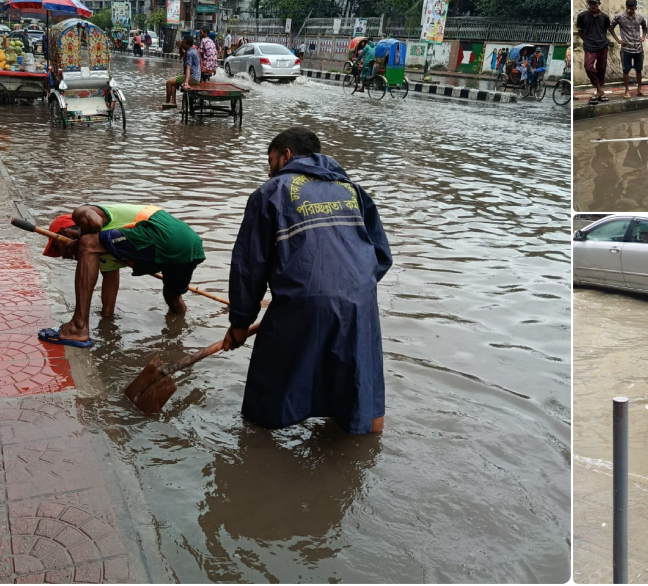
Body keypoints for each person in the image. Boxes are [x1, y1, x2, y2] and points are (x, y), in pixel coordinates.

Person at [222, 127, 393, 435]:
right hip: (360, 304)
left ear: (286, 155)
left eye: (270, 160)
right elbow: (381, 255)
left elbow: (249, 267)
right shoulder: (352, 189)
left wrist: (239, 323)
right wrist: (350, 289)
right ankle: (361, 447)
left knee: (268, 388)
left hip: (302, 303)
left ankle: (255, 454)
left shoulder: (270, 192)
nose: (269, 169)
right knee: (357, 387)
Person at [37, 204, 206, 348]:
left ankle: (77, 327)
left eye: (59, 248)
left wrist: (81, 242)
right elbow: (108, 303)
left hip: (160, 231)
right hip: (190, 245)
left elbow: (94, 223)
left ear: (65, 232)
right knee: (174, 301)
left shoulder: (81, 212)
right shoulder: (104, 247)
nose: (64, 256)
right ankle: (177, 338)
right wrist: (106, 322)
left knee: (88, 244)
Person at [576, 0, 612, 104]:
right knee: (589, 67)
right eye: (590, 3)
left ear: (598, 4)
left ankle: (599, 92)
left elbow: (605, 30)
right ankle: (600, 89)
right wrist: (587, 40)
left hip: (602, 45)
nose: (592, 5)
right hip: (590, 46)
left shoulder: (605, 17)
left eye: (594, 3)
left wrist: (602, 40)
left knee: (601, 68)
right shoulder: (582, 16)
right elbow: (580, 31)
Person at [608, 0, 647, 98]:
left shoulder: (639, 17)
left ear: (635, 8)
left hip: (638, 49)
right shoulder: (619, 17)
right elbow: (610, 27)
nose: (630, 10)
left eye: (632, 9)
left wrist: (643, 37)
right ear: (626, 7)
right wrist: (618, 40)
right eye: (628, 8)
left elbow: (645, 27)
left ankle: (639, 90)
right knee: (626, 70)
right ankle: (626, 91)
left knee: (639, 70)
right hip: (626, 49)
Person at [164, 35, 200, 108]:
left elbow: (188, 68)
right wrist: (181, 47)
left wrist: (186, 82)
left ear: (188, 44)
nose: (181, 44)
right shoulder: (192, 50)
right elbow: (182, 54)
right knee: (173, 82)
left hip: (192, 78)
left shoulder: (190, 53)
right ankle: (173, 102)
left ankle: (167, 103)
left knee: (169, 82)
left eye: (183, 43)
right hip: (196, 77)